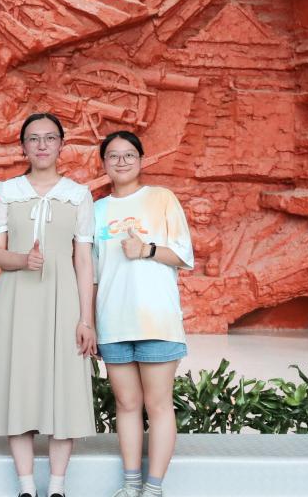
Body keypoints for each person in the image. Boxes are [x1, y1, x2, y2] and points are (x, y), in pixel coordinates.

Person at [0, 112, 98, 497]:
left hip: (64, 300)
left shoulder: (79, 195)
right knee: (20, 383)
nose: (42, 145)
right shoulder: (6, 192)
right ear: (23, 147)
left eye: (49, 138)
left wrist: (86, 319)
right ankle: (26, 486)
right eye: (33, 138)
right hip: (16, 299)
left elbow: (83, 260)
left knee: (65, 386)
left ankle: (57, 487)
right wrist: (22, 259)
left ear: (62, 145)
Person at [92, 131, 194, 497]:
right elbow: (92, 274)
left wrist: (147, 249)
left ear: (141, 160)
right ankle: (131, 482)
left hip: (157, 322)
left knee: (158, 404)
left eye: (129, 155)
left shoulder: (162, 198)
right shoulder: (96, 210)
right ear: (104, 163)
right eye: (113, 156)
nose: (121, 162)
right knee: (127, 404)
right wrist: (90, 323)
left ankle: (154, 488)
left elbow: (183, 255)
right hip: (113, 322)